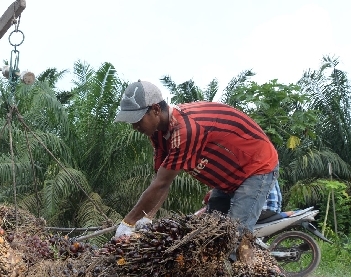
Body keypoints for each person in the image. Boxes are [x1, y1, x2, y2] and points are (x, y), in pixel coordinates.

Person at [113, 80, 279, 238]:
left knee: (235, 235)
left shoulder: (186, 130)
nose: (134, 126)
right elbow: (161, 181)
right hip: (227, 181)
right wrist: (147, 218)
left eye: (137, 120)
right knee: (210, 232)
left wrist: (128, 223)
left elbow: (161, 184)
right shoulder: (158, 135)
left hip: (256, 168)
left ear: (156, 110)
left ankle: (246, 263)